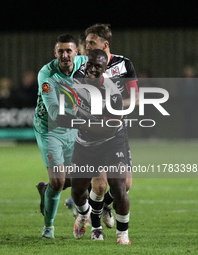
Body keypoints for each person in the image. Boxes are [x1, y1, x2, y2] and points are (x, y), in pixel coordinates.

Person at [65, 23, 138, 231]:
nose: (87, 47)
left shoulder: (124, 65)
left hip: (117, 130)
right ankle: (92, 221)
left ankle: (105, 206)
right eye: (86, 43)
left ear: (105, 44)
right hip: (93, 133)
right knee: (99, 184)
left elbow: (135, 97)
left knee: (126, 186)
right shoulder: (82, 69)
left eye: (91, 42)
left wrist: (113, 106)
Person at [56, 49, 131, 244]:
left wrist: (75, 122)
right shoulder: (78, 77)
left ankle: (122, 234)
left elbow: (108, 129)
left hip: (111, 141)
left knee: (119, 187)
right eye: (90, 64)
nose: (92, 69)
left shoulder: (112, 93)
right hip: (85, 143)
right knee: (78, 190)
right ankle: (83, 214)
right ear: (85, 63)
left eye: (98, 66)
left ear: (105, 69)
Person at [34, 34, 87, 238]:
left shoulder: (85, 64)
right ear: (55, 53)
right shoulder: (46, 75)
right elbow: (54, 112)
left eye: (69, 51)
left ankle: (47, 192)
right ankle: (48, 227)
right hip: (49, 129)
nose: (65, 55)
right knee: (58, 182)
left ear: (77, 52)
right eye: (61, 51)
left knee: (82, 177)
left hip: (74, 127)